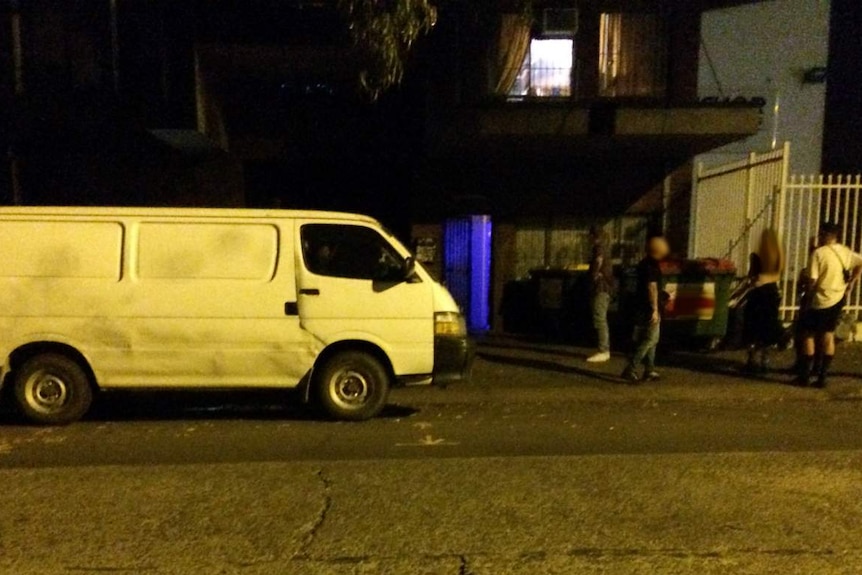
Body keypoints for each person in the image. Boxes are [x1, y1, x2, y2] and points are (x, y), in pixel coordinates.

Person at [796, 222, 862, 387]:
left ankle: (805, 375)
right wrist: (851, 284)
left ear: (824, 234)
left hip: (819, 298)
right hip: (837, 298)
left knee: (808, 334)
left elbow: (812, 279)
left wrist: (806, 297)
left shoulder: (818, 253)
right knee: (828, 334)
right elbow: (859, 262)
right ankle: (822, 377)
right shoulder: (845, 251)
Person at [622, 235, 669, 382]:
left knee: (651, 339)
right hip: (649, 307)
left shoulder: (644, 264)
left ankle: (649, 369)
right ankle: (631, 367)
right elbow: (651, 287)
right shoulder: (652, 266)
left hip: (643, 305)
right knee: (651, 339)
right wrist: (655, 308)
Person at [742, 229, 784, 374]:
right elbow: (778, 275)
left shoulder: (756, 256)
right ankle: (765, 360)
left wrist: (751, 282)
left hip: (758, 293)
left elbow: (752, 276)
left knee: (753, 326)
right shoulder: (778, 256)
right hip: (772, 293)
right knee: (767, 326)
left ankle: (752, 359)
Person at [586, 225, 615, 362]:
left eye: (589, 236)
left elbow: (599, 260)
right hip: (604, 288)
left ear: (593, 236)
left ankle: (604, 350)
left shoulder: (599, 248)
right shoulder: (604, 247)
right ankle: (603, 349)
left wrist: (595, 273)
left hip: (601, 288)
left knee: (599, 317)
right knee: (600, 317)